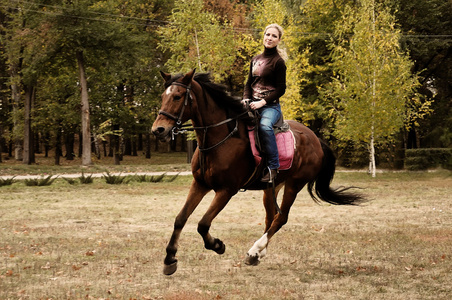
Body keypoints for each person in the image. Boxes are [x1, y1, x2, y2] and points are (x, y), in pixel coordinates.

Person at [242, 23, 287, 183]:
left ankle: (273, 168)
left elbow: (281, 89)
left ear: (278, 40)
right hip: (251, 103)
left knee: (264, 127)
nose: (270, 38)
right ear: (263, 36)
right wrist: (246, 98)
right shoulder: (255, 59)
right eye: (268, 34)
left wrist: (262, 102)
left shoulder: (278, 62)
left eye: (274, 36)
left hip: (270, 107)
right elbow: (249, 83)